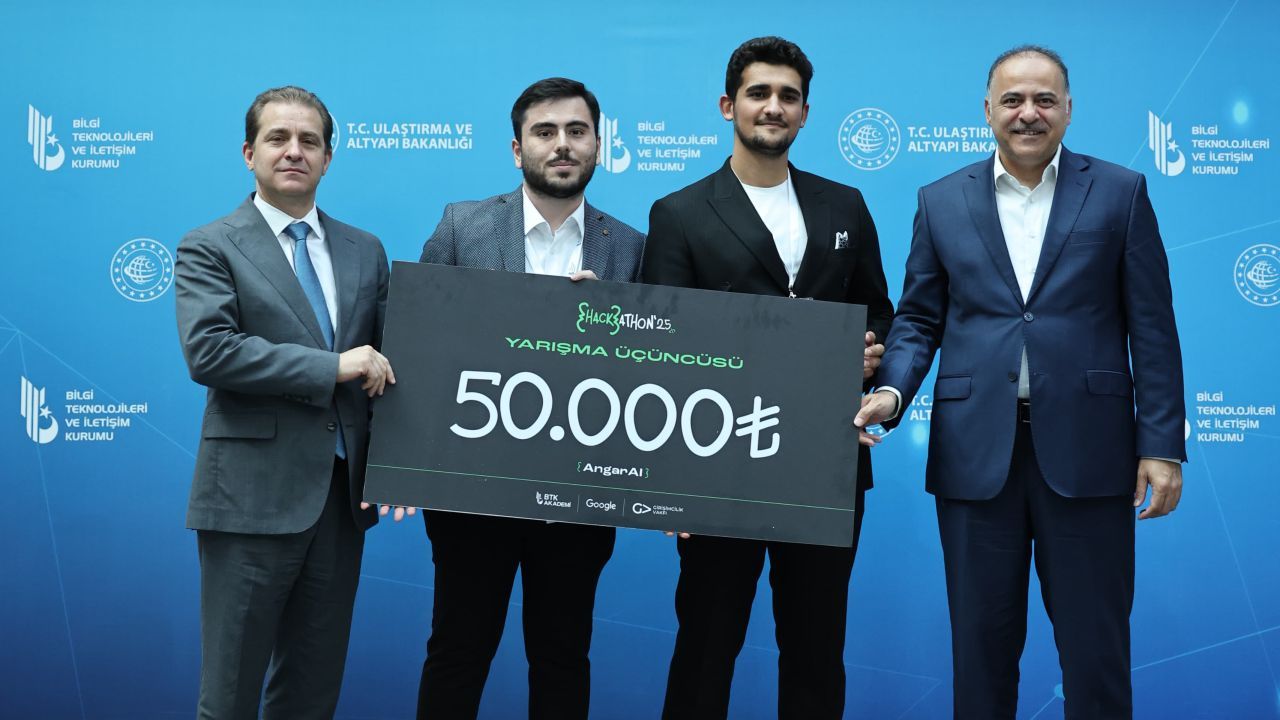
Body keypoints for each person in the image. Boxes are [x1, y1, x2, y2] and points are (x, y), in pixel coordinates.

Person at [856, 46, 1185, 719]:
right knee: (980, 656)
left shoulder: (1120, 192)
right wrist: (890, 393)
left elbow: (1151, 326)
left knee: (1096, 656)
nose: (1027, 113)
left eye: (1043, 99)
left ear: (1068, 109)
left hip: (1092, 457)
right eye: (1012, 100)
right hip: (975, 458)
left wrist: (1161, 445)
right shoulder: (940, 200)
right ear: (988, 110)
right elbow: (918, 318)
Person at [641, 37, 894, 719]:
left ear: (806, 112)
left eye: (788, 96)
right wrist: (670, 486)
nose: (773, 106)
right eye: (759, 93)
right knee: (706, 646)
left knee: (816, 650)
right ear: (729, 105)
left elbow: (879, 312)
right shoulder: (679, 213)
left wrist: (867, 359)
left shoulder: (845, 205)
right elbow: (660, 346)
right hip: (716, 467)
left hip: (824, 465)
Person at [415, 77, 645, 720]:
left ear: (598, 145)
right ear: (518, 149)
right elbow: (418, 340)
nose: (562, 144)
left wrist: (612, 328)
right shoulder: (461, 226)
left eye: (577, 131)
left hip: (579, 496)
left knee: (563, 657)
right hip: (472, 493)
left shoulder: (630, 248)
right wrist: (407, 464)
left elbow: (652, 372)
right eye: (545, 132)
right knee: (458, 650)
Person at [175, 85, 398, 719]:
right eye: (278, 138)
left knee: (310, 694)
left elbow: (394, 364)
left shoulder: (365, 250)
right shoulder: (210, 245)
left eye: (309, 141)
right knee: (230, 696)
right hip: (248, 500)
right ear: (250, 153)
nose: (294, 151)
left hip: (339, 504)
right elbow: (210, 351)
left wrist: (406, 463)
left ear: (328, 158)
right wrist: (333, 366)